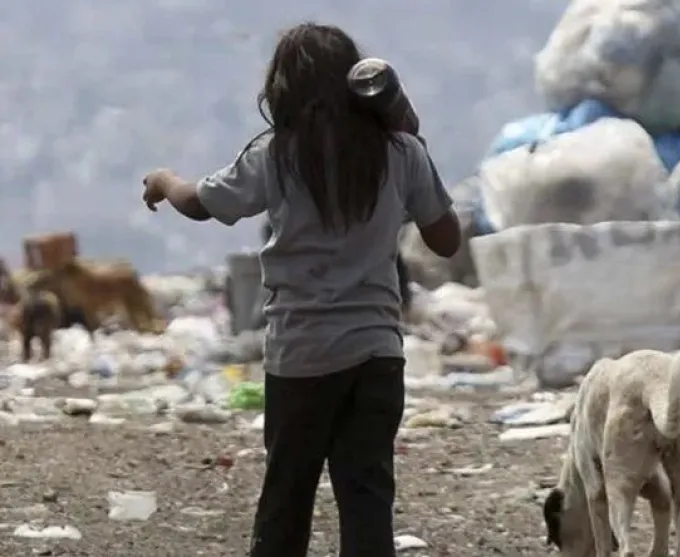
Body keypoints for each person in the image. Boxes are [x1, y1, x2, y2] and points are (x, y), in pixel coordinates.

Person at [140, 22, 461, 557]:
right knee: (367, 501)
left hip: (301, 355)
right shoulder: (401, 152)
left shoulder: (277, 154)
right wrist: (411, 136)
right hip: (377, 355)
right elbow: (446, 240)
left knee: (287, 501)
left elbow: (200, 203)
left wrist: (163, 180)